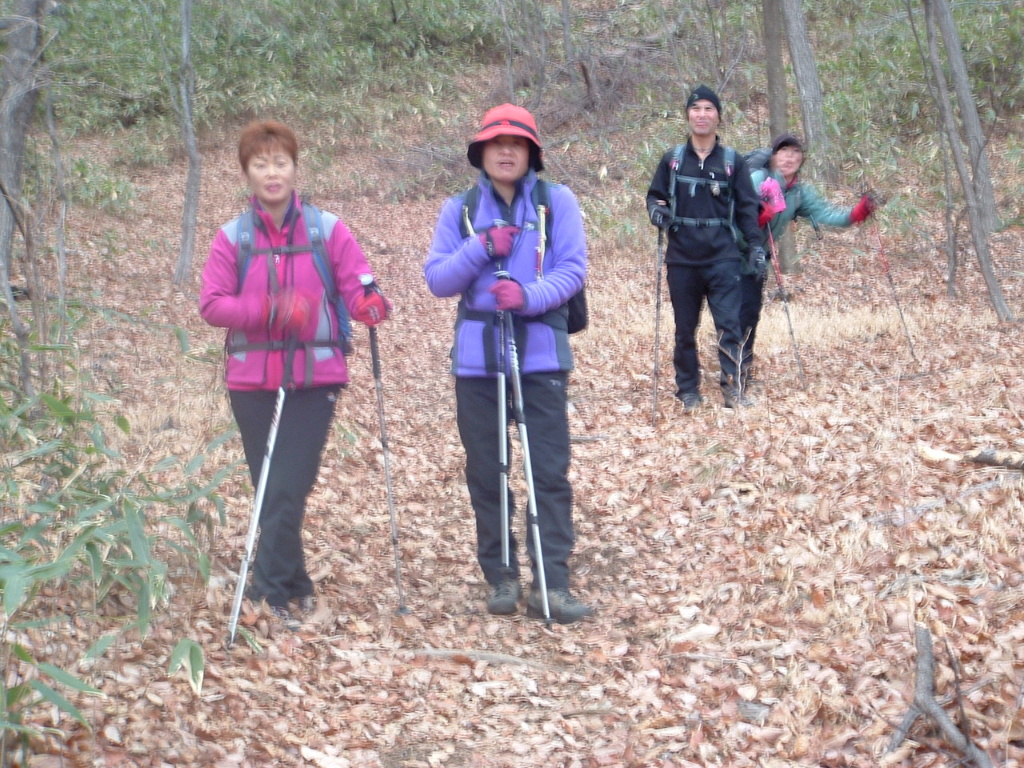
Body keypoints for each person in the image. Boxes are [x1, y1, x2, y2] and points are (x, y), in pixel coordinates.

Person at [200, 120, 390, 630]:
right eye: (260, 164)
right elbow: (212, 306)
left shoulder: (328, 230)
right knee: (271, 487)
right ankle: (295, 581)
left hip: (315, 379)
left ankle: (267, 589)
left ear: (295, 167)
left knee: (289, 484)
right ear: (246, 174)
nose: (271, 172)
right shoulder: (232, 238)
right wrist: (271, 309)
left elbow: (357, 284)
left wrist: (369, 303)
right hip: (252, 382)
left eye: (279, 161)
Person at [424, 104, 592, 624]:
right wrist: (479, 249)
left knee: (547, 469)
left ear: (530, 152)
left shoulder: (555, 202)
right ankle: (500, 576)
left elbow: (573, 270)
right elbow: (438, 279)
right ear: (481, 152)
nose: (505, 151)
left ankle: (552, 582)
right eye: (496, 143)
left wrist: (527, 296)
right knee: (487, 470)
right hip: (478, 360)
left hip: (540, 352)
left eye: (516, 144)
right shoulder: (460, 209)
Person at [646, 85, 767, 411]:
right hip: (682, 259)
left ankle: (733, 390)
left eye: (708, 109)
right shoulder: (672, 160)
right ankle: (687, 390)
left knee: (730, 326)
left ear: (718, 116)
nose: (702, 114)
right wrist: (656, 211)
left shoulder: (732, 163)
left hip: (722, 257)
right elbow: (655, 196)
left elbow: (747, 209)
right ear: (687, 115)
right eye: (696, 108)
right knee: (685, 329)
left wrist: (756, 247)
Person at [739, 132, 878, 386]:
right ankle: (729, 372)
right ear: (773, 156)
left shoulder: (798, 193)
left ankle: (740, 372)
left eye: (795, 152)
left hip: (757, 260)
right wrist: (756, 216)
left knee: (748, 316)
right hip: (729, 254)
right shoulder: (757, 179)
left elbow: (828, 214)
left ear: (802, 159)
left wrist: (858, 213)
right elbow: (731, 212)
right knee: (729, 314)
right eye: (783, 151)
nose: (789, 157)